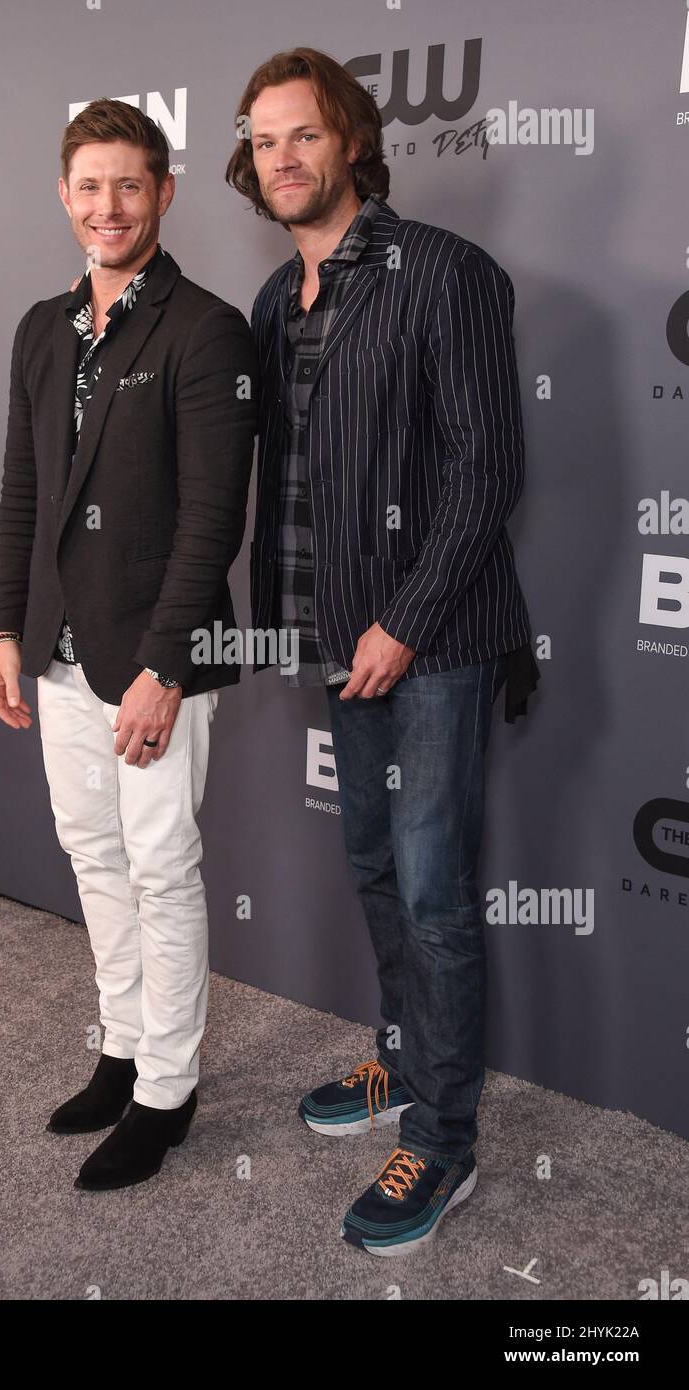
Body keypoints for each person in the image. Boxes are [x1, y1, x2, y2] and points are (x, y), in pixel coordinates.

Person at [227, 47, 539, 1255]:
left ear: (352, 142)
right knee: (371, 862)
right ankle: (404, 1066)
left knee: (429, 886)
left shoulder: (442, 273)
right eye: (262, 141)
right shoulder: (273, 303)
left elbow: (484, 468)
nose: (283, 159)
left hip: (432, 636)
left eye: (303, 135)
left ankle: (446, 1141)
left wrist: (403, 621)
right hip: (333, 638)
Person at [0, 98, 257, 1191]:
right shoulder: (42, 329)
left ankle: (167, 1091)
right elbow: (22, 492)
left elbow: (210, 521)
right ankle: (122, 1047)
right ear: (64, 195)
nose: (108, 206)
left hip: (155, 659)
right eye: (89, 186)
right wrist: (6, 626)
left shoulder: (206, 328)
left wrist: (164, 665)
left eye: (129, 185)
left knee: (160, 868)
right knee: (94, 858)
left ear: (164, 192)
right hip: (55, 649)